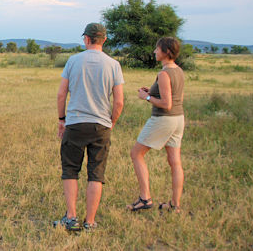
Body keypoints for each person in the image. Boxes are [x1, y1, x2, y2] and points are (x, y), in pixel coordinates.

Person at [54, 23, 124, 232]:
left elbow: (61, 94)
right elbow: (119, 102)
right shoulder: (113, 65)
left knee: (70, 171)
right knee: (96, 173)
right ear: (104, 40)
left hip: (75, 123)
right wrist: (111, 122)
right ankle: (90, 221)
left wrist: (61, 119)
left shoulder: (73, 60)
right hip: (101, 125)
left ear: (86, 39)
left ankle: (71, 217)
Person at [127, 37, 185, 213]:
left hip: (163, 119)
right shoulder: (178, 71)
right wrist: (151, 92)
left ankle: (145, 198)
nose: (154, 51)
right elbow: (176, 99)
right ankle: (175, 204)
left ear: (166, 51)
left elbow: (166, 104)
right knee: (175, 161)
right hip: (178, 118)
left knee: (136, 154)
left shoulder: (164, 73)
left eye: (157, 49)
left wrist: (145, 97)